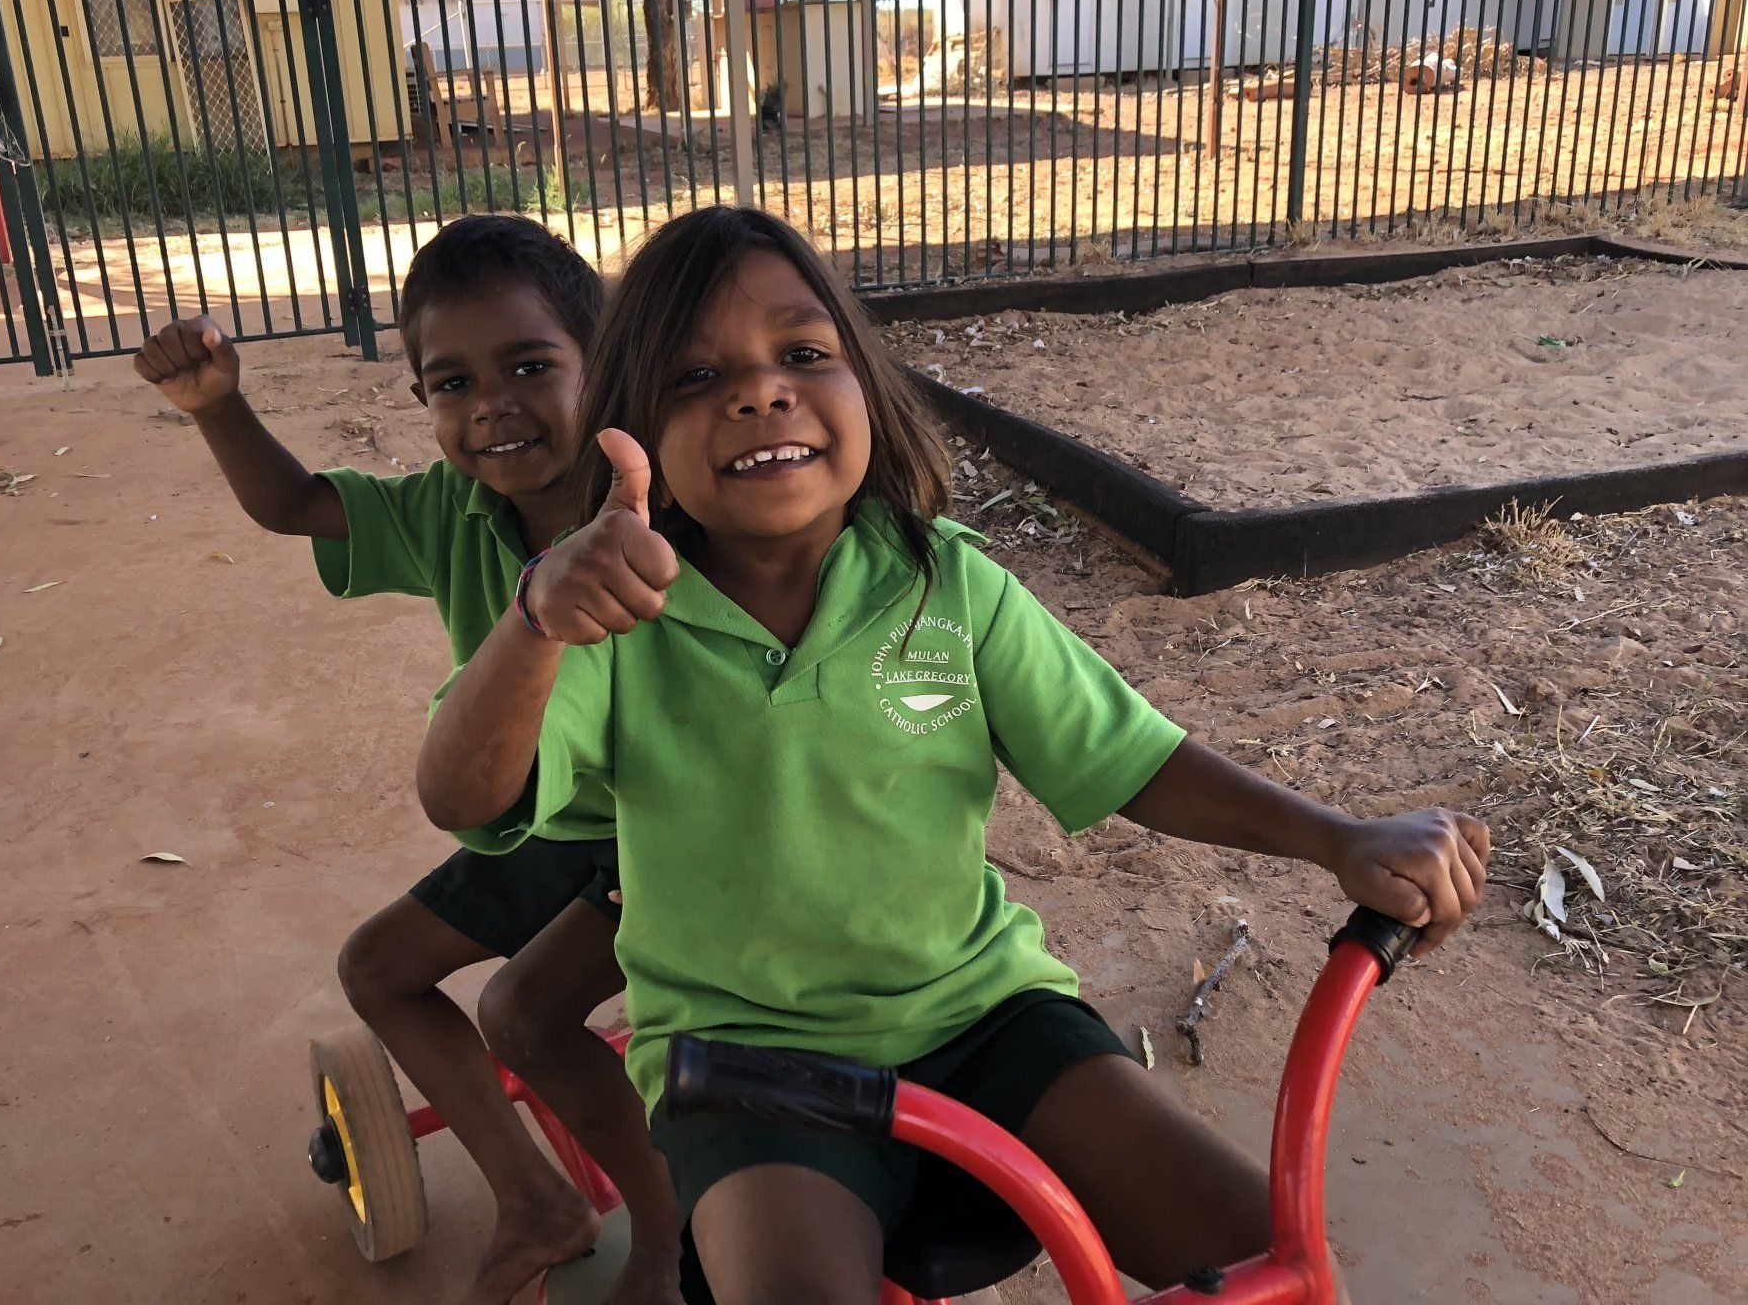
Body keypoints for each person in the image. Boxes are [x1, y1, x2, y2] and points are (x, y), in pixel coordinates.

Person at [417, 206, 1490, 1305]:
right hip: (748, 1068)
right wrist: (538, 621)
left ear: (868, 392)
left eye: (801, 353)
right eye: (697, 378)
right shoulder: (614, 621)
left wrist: (1338, 838)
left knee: (1273, 1262)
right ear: (629, 432)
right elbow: (460, 795)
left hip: (984, 1017)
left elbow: (1129, 757)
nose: (758, 392)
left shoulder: (948, 584)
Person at [134, 215, 682, 1305]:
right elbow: (294, 505)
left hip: (669, 835)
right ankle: (537, 1197)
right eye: (450, 383)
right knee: (378, 966)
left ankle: (669, 1242)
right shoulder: (448, 508)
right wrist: (218, 406)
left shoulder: (663, 504)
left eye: (531, 365)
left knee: (526, 1014)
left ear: (601, 362)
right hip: (540, 827)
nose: (491, 405)